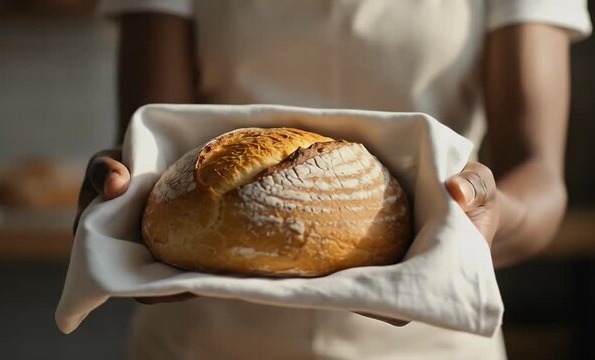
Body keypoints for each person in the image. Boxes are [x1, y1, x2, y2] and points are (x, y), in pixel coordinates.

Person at [74, 1, 592, 359]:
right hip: (198, 340)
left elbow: (539, 177)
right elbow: (159, 148)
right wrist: (122, 205)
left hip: (428, 342)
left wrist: (485, 218)